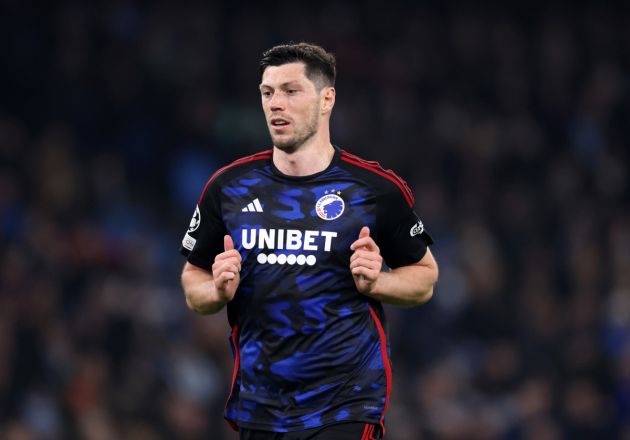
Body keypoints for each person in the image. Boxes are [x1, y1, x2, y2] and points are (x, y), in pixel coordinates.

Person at [179, 42, 438, 440]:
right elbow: (192, 282)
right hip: (261, 406)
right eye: (267, 93)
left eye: (290, 91)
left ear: (326, 99)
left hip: (346, 403)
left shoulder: (373, 189)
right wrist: (214, 290)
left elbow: (425, 277)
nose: (275, 104)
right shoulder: (228, 188)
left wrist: (379, 283)